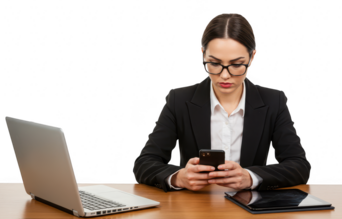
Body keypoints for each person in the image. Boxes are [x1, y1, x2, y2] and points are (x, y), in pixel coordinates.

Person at [133, 11, 311, 192]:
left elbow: (299, 166)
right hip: (195, 209)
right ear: (203, 55)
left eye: (236, 65)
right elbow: (144, 163)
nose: (224, 75)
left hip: (251, 212)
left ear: (252, 58)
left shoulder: (273, 101)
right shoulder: (180, 100)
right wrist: (179, 177)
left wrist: (250, 177)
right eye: (215, 63)